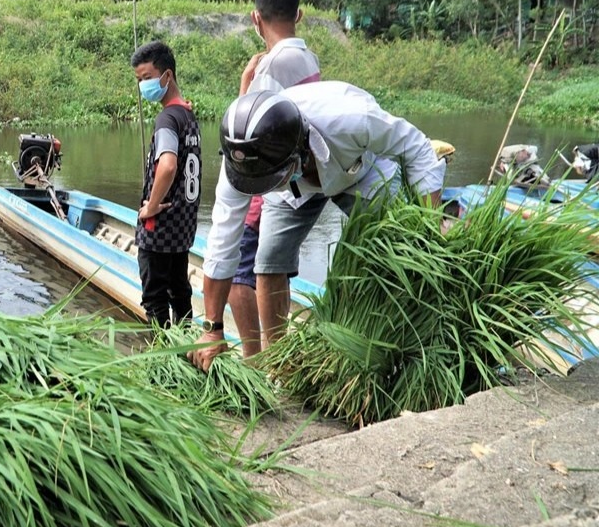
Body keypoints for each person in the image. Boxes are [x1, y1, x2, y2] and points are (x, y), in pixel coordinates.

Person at [188, 83, 446, 371]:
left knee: (393, 252)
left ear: (299, 151)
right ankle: (278, 363)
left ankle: (389, 345)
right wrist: (212, 328)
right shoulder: (244, 163)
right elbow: (222, 243)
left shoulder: (353, 120)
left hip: (359, 171)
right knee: (269, 260)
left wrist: (430, 225)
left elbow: (418, 149)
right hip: (289, 189)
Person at [231, 0, 321, 356]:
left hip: (271, 181)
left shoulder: (271, 67)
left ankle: (258, 361)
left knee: (241, 271)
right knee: (276, 269)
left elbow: (249, 132)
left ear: (256, 18)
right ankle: (278, 355)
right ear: (298, 15)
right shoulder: (308, 57)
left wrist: (245, 86)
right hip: (304, 176)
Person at [130, 40, 202, 328]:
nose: (143, 85)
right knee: (180, 292)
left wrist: (151, 206)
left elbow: (168, 166)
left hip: (159, 227)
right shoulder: (187, 115)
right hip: (182, 226)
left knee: (155, 298)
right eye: (139, 80)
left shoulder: (167, 119)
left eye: (147, 77)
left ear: (167, 75)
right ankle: (184, 342)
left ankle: (161, 349)